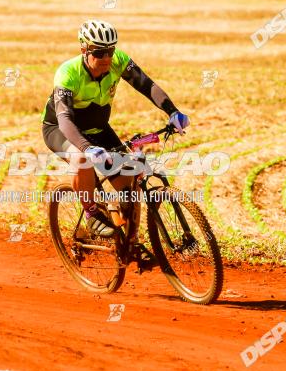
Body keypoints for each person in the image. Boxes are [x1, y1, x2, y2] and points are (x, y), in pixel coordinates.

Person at [41, 19, 189, 237]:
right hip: (62, 129)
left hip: (98, 128)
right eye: (99, 53)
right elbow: (64, 120)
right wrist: (86, 148)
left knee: (129, 182)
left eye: (110, 51)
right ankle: (91, 214)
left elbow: (147, 86)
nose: (106, 58)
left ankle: (130, 241)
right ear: (84, 49)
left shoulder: (119, 61)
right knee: (81, 160)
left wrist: (173, 112)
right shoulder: (68, 73)